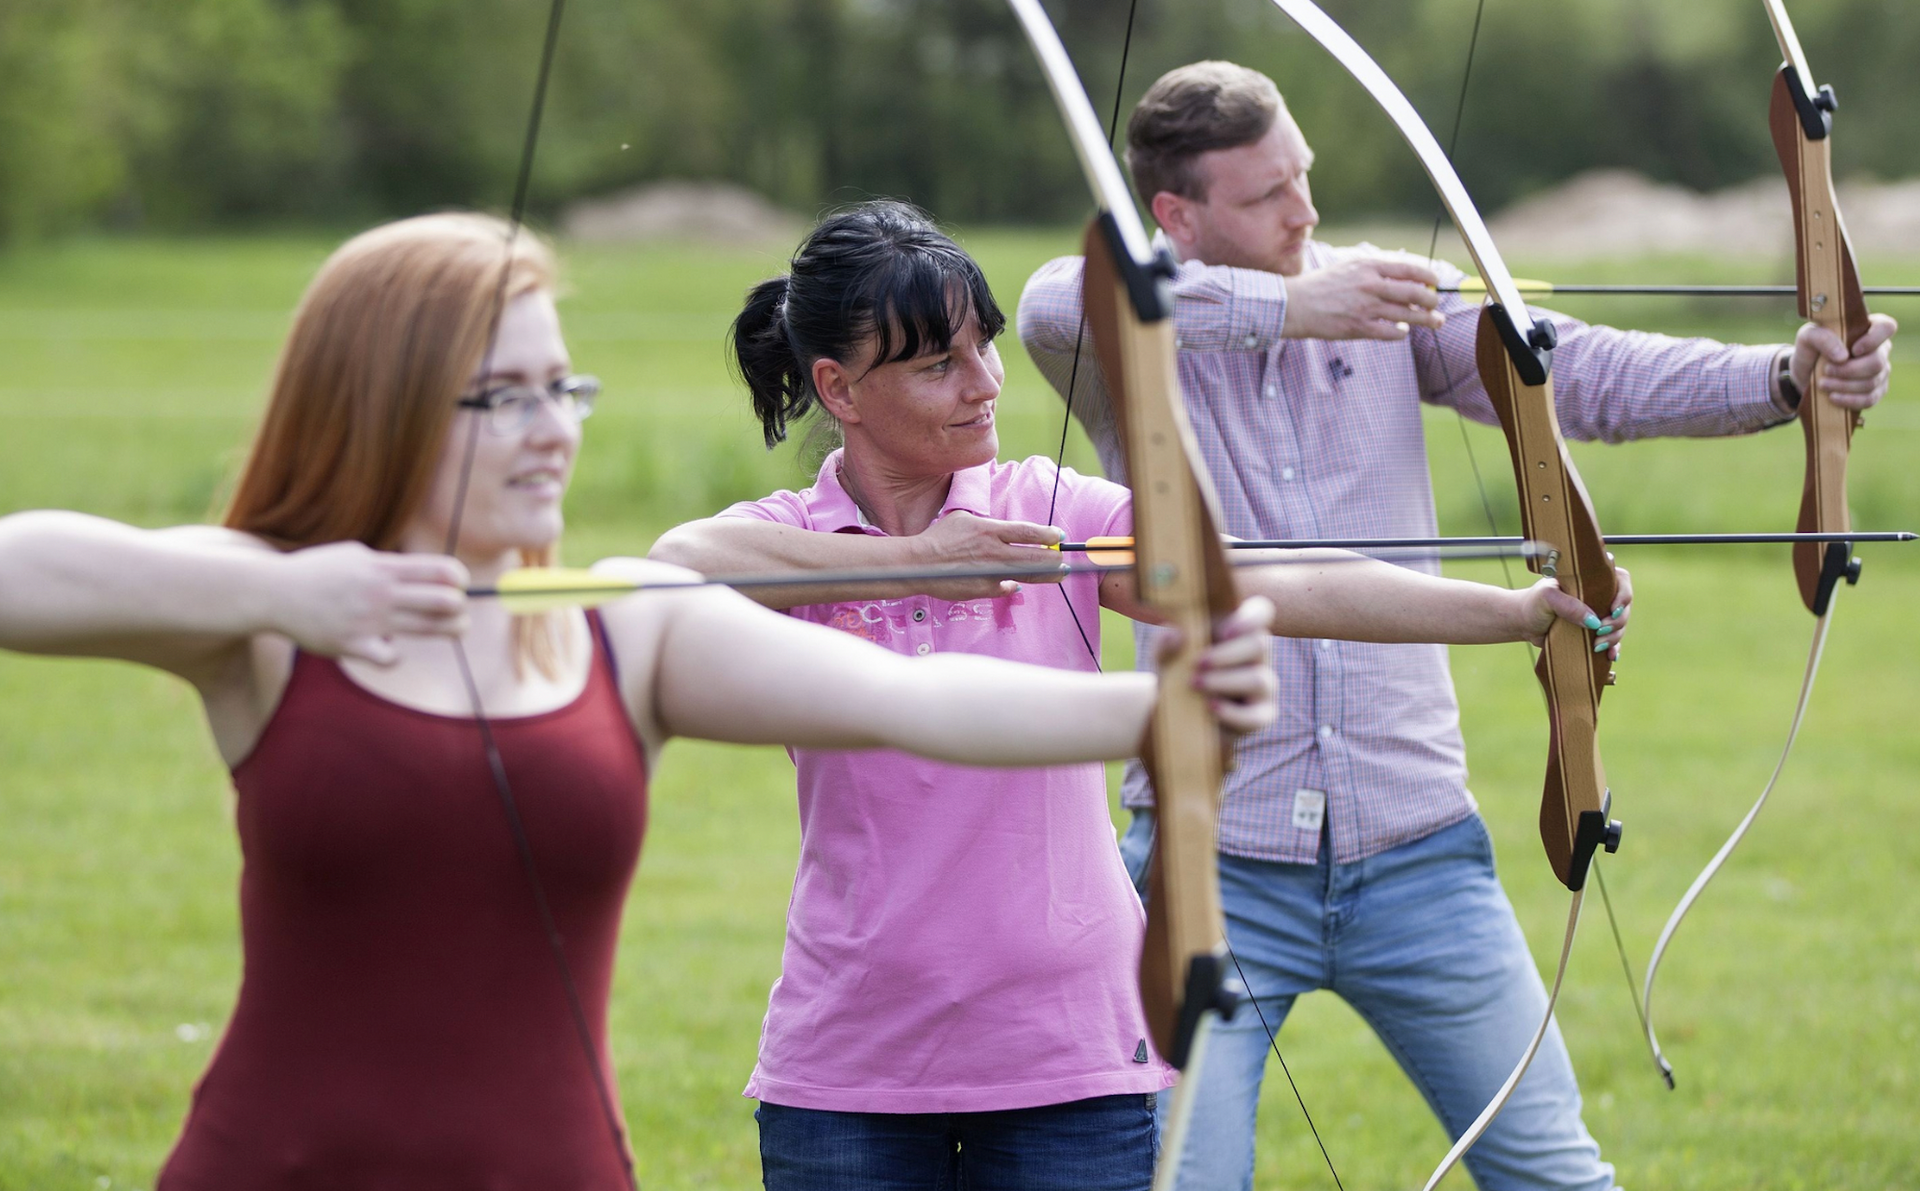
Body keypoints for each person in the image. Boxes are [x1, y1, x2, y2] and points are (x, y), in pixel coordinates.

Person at [0, 211, 1291, 1191]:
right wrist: (289, 593)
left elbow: (920, 701)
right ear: (382, 401)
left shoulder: (616, 616)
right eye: (503, 394)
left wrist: (1160, 714)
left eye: (563, 387)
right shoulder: (270, 623)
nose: (554, 427)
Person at [1016, 60, 1899, 1191]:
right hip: (1210, 861)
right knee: (1182, 1180)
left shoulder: (1386, 302)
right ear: (1177, 215)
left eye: (1306, 176)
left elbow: (1576, 370)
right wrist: (1288, 307)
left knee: (1556, 1176)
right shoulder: (1125, 335)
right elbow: (1055, 295)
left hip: (1418, 853)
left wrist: (1782, 379)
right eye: (1269, 195)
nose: (1309, 213)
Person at [648, 199, 1630, 1191]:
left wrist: (1513, 613)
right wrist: (909, 563)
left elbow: (1275, 580)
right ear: (838, 389)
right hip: (848, 1067)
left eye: (982, 347)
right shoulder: (794, 541)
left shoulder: (1050, 513)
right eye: (938, 364)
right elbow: (671, 566)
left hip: (1072, 1058)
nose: (987, 384)